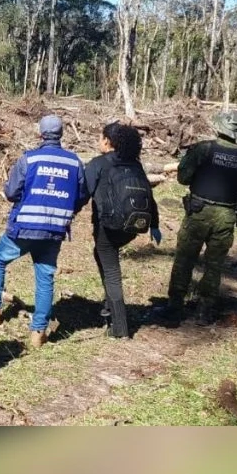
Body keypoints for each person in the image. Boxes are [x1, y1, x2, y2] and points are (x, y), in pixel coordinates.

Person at [0, 115, 88, 349]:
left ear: (40, 134)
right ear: (61, 134)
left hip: (25, 228)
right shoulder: (75, 163)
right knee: (45, 277)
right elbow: (82, 196)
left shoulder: (29, 159)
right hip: (55, 230)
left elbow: (11, 192)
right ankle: (38, 332)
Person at [153, 109, 237, 326]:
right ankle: (205, 310)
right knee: (214, 264)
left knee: (184, 259)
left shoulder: (202, 150)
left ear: (219, 128)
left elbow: (183, 178)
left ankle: (174, 306)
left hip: (198, 213)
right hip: (226, 216)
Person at [83, 123, 162, 338]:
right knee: (101, 255)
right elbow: (149, 196)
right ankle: (109, 305)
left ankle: (119, 327)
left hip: (108, 226)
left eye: (101, 138)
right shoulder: (135, 165)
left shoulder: (98, 164)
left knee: (111, 270)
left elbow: (83, 192)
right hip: (132, 227)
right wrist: (154, 225)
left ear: (108, 142)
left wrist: (66, 214)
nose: (99, 141)